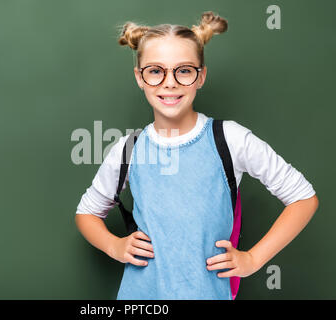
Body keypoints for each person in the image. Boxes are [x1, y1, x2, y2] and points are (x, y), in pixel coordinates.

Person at [74, 11, 319, 300]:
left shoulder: (230, 139)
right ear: (139, 77)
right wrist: (115, 246)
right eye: (155, 71)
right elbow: (86, 214)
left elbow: (303, 198)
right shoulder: (129, 149)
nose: (169, 82)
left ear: (200, 76)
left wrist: (252, 259)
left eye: (184, 70)